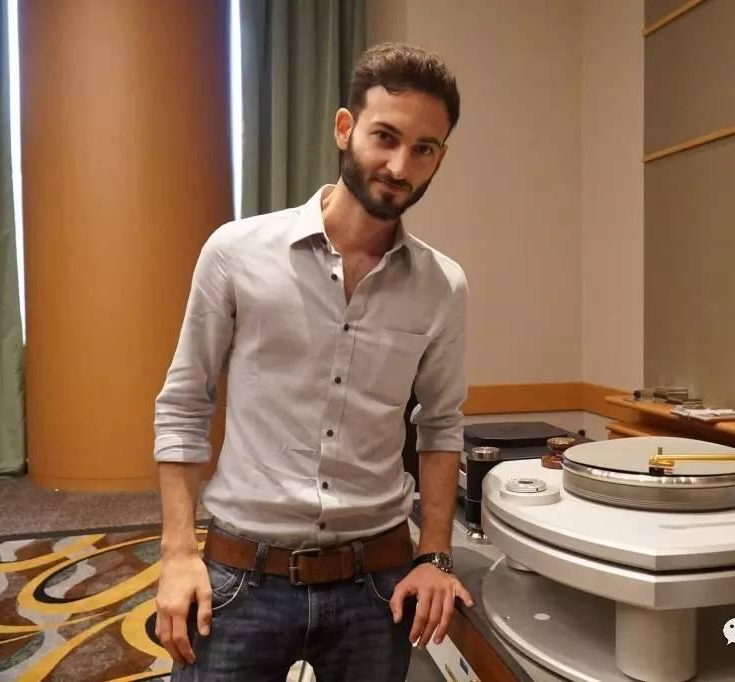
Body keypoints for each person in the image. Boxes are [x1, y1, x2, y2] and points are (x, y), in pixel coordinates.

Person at [152, 42, 473, 681]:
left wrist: (435, 554)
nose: (400, 165)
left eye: (424, 148)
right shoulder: (236, 252)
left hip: (376, 583)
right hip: (241, 577)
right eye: (385, 137)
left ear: (440, 157)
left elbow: (440, 425)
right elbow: (185, 403)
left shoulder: (443, 287)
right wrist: (177, 553)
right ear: (344, 128)